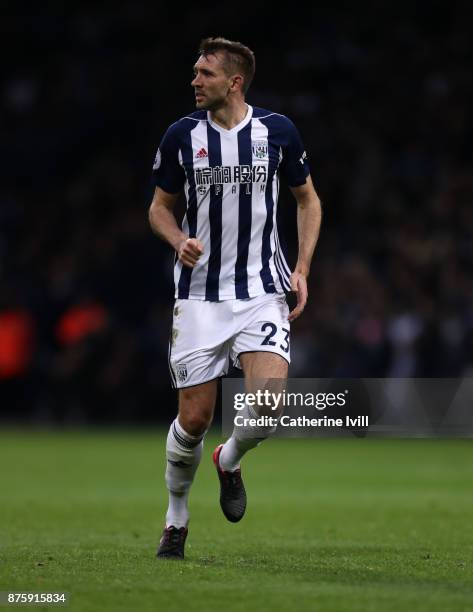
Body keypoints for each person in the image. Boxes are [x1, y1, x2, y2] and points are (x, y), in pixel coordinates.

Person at [148, 36, 322, 559]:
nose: (195, 81)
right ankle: (177, 518)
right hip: (200, 297)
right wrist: (179, 240)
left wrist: (303, 267)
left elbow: (308, 201)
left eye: (204, 73)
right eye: (196, 72)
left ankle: (229, 459)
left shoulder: (278, 131)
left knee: (267, 407)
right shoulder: (182, 136)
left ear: (234, 81)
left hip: (260, 291)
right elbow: (158, 207)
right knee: (195, 418)